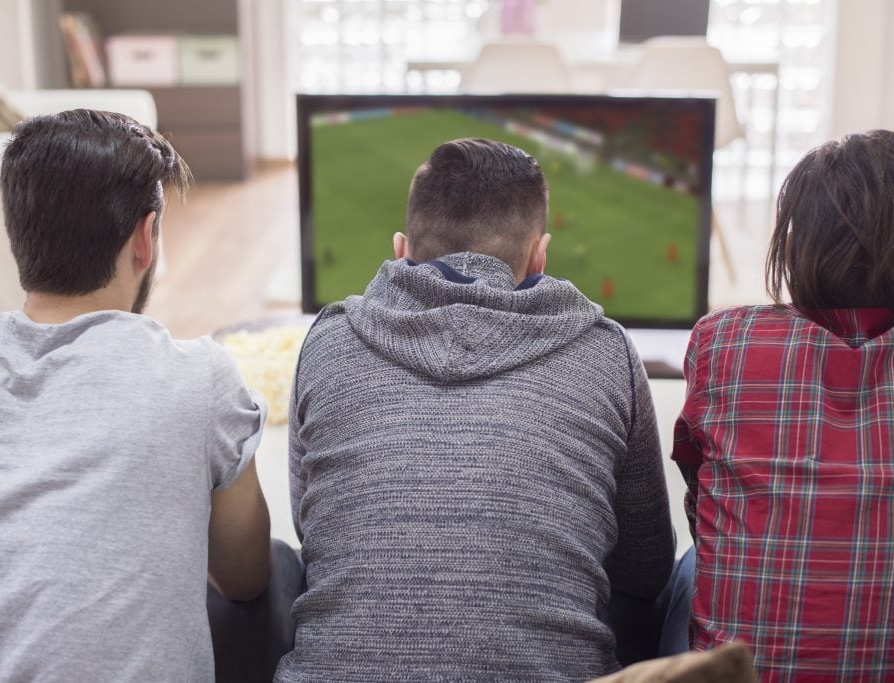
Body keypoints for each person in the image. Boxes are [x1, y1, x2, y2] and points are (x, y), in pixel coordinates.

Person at [277, 137, 677, 682]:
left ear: (401, 251)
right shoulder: (605, 351)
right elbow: (645, 565)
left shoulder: (328, 341)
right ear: (540, 255)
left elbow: (311, 527)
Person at [0, 109, 282, 682]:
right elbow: (246, 576)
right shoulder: (198, 375)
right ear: (145, 239)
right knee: (280, 576)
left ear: (18, 232)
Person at [672, 129, 894, 680]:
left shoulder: (723, 340)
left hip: (746, 671)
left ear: (798, 241)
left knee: (687, 565)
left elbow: (701, 501)